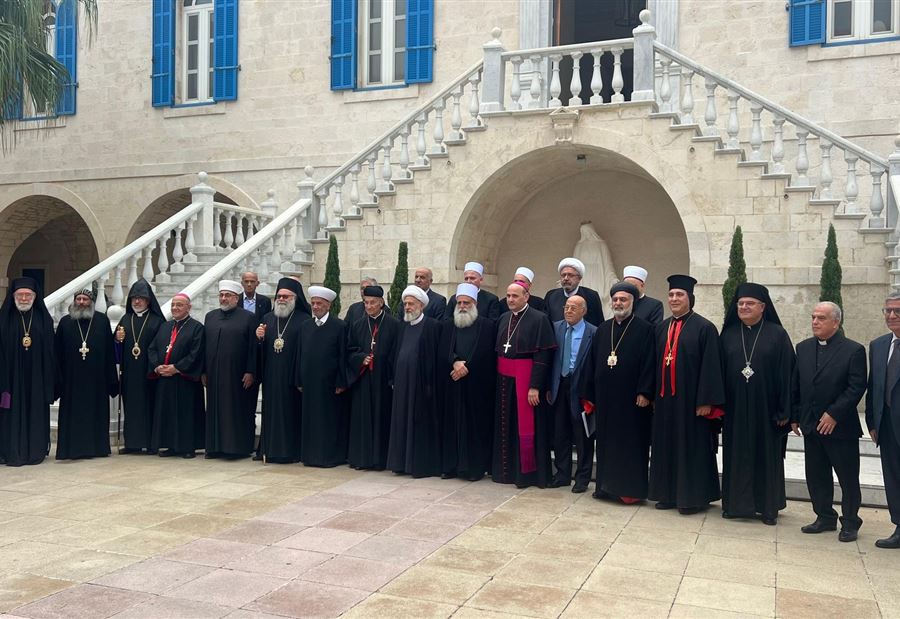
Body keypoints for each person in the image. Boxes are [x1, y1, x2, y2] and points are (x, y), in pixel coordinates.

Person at [648, 275, 725, 514]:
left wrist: (706, 401)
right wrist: (651, 394)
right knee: (666, 447)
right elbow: (653, 364)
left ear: (690, 298)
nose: (674, 299)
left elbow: (711, 367)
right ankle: (667, 494)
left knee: (691, 449)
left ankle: (692, 498)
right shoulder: (661, 328)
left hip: (692, 404)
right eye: (671, 295)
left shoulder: (705, 328)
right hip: (665, 402)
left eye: (679, 295)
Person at [719, 283, 795, 525]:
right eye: (740, 303)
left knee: (766, 457)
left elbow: (788, 374)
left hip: (767, 410)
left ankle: (767, 508)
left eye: (749, 303)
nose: (744, 307)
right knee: (736, 456)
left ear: (763, 307)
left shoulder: (778, 334)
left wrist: (785, 410)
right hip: (735, 409)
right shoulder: (728, 335)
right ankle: (735, 506)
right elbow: (717, 373)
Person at [795, 301, 866, 542]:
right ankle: (824, 516)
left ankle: (850, 521)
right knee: (816, 475)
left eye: (821, 318)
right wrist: (795, 415)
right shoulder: (803, 348)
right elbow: (797, 384)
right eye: (813, 317)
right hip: (811, 425)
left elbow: (856, 387)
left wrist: (834, 413)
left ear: (836, 322)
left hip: (840, 427)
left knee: (847, 478)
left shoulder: (853, 350)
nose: (815, 322)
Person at [581, 282, 655, 503]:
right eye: (615, 299)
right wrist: (589, 395)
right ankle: (605, 487)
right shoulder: (603, 329)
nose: (618, 303)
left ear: (633, 302)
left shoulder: (645, 329)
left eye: (623, 299)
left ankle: (629, 492)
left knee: (630, 443)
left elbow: (650, 362)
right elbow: (592, 362)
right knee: (606, 443)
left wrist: (645, 391)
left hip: (632, 400)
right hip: (606, 398)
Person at [493, 280, 557, 488]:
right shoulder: (504, 318)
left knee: (526, 427)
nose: (510, 300)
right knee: (506, 426)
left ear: (526, 296)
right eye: (508, 296)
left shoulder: (539, 319)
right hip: (504, 382)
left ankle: (527, 475)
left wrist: (535, 386)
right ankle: (506, 472)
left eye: (515, 296)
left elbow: (543, 355)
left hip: (525, 382)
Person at [439, 283, 497, 481]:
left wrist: (467, 367)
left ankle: (474, 469)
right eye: (460, 303)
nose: (462, 306)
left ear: (475, 304)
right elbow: (443, 349)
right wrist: (455, 362)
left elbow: (486, 353)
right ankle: (451, 467)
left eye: (467, 303)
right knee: (452, 425)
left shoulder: (487, 326)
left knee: (475, 428)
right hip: (453, 383)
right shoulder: (448, 325)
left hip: (477, 385)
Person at [55, 289, 119, 460]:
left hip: (97, 379)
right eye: (79, 299)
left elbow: (109, 352)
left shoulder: (102, 321)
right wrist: (57, 379)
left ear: (91, 302)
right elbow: (57, 353)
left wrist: (111, 379)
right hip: (71, 379)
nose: (82, 302)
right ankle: (71, 449)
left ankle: (97, 448)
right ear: (74, 301)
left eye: (85, 299)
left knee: (96, 413)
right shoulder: (65, 322)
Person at [386, 285, 443, 477]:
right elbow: (395, 354)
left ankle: (417, 465)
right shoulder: (402, 326)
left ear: (421, 305)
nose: (407, 307)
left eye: (411, 304)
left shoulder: (432, 326)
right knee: (401, 420)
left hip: (421, 385)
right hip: (402, 384)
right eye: (405, 304)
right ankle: (400, 463)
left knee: (418, 422)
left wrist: (430, 385)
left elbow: (435, 358)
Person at [0, 277, 55, 466]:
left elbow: (50, 352)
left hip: (36, 378)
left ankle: (35, 452)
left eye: (27, 295)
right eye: (20, 295)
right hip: (10, 379)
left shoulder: (43, 319)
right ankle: (10, 452)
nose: (24, 299)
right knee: (10, 414)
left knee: (35, 412)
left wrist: (49, 379)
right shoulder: (4, 319)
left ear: (35, 296)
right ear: (13, 296)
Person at [255, 278, 310, 463]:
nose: (281, 299)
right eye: (279, 296)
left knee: (290, 414)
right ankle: (269, 450)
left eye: (286, 296)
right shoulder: (267, 319)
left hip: (292, 377)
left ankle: (290, 452)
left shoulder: (304, 320)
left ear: (295, 298)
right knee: (271, 414)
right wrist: (260, 339)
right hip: (271, 376)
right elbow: (261, 351)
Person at [547, 295, 597, 493]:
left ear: (583, 311)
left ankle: (582, 478)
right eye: (566, 307)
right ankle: (562, 475)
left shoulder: (593, 332)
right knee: (560, 433)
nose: (568, 311)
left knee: (582, 436)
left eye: (573, 308)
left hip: (581, 389)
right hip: (559, 385)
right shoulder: (555, 328)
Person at [347, 284, 400, 470]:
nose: (368, 306)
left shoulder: (394, 324)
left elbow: (396, 352)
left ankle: (381, 460)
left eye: (372, 303)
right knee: (362, 419)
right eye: (366, 303)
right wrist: (361, 358)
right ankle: (362, 459)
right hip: (363, 380)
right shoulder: (358, 325)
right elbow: (350, 350)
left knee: (381, 418)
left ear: (381, 303)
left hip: (383, 380)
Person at [204, 280, 258, 459]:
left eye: (228, 295)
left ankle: (236, 449)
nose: (224, 298)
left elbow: (253, 348)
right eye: (221, 295)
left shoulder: (248, 318)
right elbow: (204, 346)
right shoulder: (210, 316)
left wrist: (250, 371)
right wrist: (204, 371)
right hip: (214, 374)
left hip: (237, 376)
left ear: (236, 298)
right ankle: (214, 448)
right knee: (214, 410)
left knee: (235, 411)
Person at [296, 285, 349, 467]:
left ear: (328, 305)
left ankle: (329, 457)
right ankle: (310, 457)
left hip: (329, 384)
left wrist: (341, 381)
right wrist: (299, 379)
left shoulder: (339, 326)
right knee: (310, 421)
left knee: (328, 421)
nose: (316, 307)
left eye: (319, 303)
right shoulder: (305, 326)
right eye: (313, 303)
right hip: (309, 384)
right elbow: (300, 354)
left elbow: (343, 355)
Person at [149, 293, 205, 458]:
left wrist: (177, 368)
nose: (175, 308)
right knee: (168, 413)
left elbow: (196, 353)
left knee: (185, 414)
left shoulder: (197, 327)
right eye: (173, 305)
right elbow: (152, 348)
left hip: (185, 379)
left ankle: (187, 447)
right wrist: (157, 366)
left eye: (179, 305)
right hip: (165, 379)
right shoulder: (165, 326)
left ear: (189, 307)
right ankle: (170, 445)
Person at [114, 279, 165, 455]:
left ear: (148, 300)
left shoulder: (157, 321)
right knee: (131, 407)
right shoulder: (125, 319)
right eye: (134, 298)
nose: (137, 301)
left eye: (141, 298)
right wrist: (117, 339)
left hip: (149, 372)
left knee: (150, 406)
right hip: (130, 372)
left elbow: (161, 346)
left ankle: (151, 443)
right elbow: (116, 347)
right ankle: (132, 443)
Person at [866, 292, 900, 548]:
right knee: (893, 477)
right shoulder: (878, 345)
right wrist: (872, 421)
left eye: (897, 311)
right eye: (887, 310)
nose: (891, 315)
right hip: (887, 426)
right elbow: (874, 385)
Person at [544, 258, 604, 326]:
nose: (566, 278)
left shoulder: (591, 296)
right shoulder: (551, 295)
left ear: (579, 278)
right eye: (563, 275)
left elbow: (599, 324)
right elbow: (546, 323)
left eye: (570, 275)